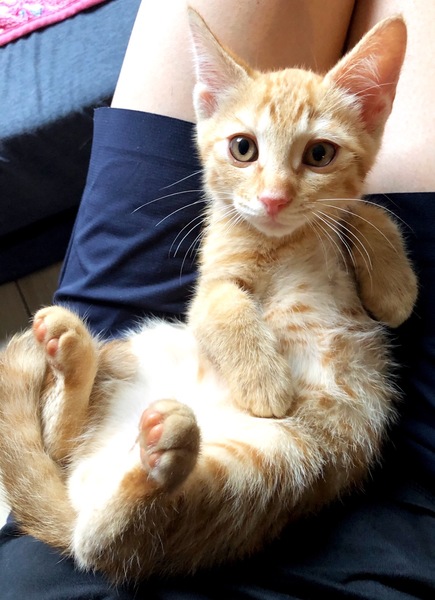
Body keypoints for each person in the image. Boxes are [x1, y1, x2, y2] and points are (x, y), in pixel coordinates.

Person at [1, 1, 435, 598]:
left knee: (141, 342)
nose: (274, 193)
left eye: (317, 154)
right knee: (288, 450)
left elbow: (391, 301)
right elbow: (227, 307)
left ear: (370, 119)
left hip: (137, 456)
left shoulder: (350, 223)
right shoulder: (235, 224)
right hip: (306, 433)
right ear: (206, 104)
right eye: (245, 150)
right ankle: (130, 503)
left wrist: (371, 229)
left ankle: (79, 423)